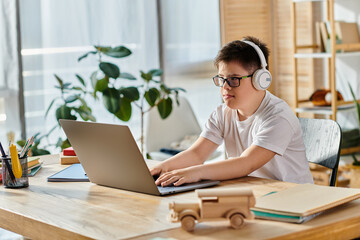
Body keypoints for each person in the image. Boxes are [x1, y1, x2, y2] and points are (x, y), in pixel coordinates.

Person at [150, 36, 313, 186]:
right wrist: (159, 170)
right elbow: (197, 154)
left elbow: (245, 163)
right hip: (255, 194)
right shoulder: (222, 113)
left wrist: (196, 172)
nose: (225, 86)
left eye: (233, 79)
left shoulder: (278, 117)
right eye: (221, 79)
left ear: (261, 80)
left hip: (293, 201)